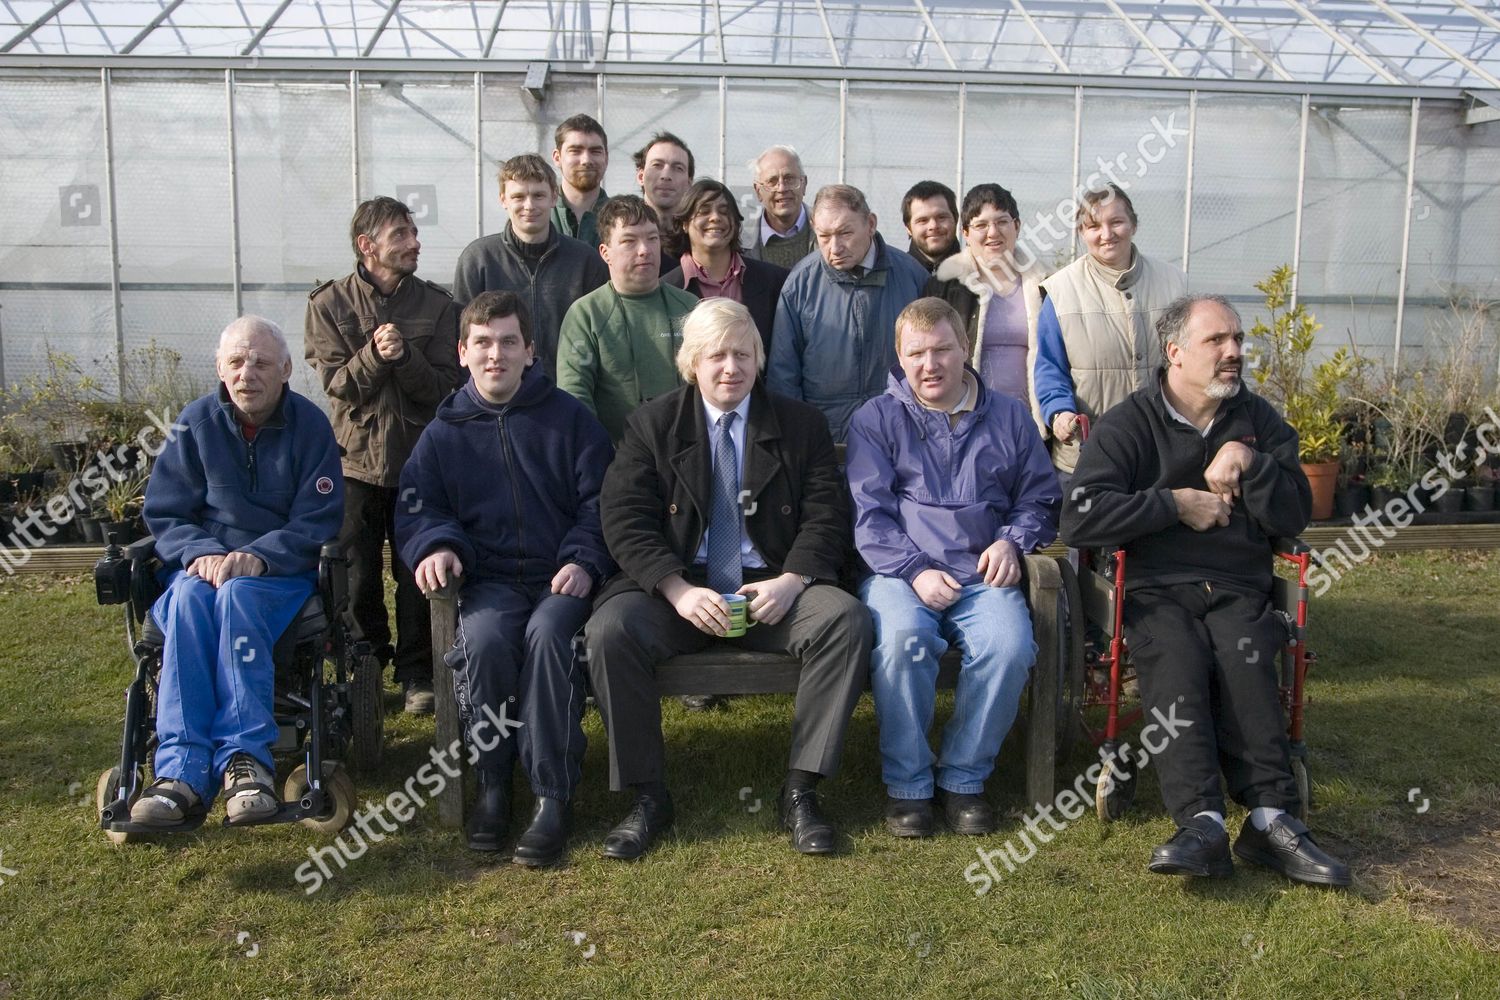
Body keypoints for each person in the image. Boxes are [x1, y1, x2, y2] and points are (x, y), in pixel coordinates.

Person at [1060, 294, 1351, 887]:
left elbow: (1297, 510)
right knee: (1177, 660)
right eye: (1217, 341)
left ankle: (1272, 821)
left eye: (1237, 339)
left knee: (1246, 659)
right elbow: (1079, 516)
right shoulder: (1129, 423)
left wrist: (1251, 460)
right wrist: (1172, 505)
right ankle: (1201, 822)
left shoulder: (1260, 421)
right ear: (1175, 353)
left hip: (1240, 584)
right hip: (1157, 589)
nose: (1234, 352)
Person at [583, 298, 871, 859]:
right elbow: (623, 519)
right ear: (690, 362)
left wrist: (793, 580)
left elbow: (827, 514)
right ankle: (647, 796)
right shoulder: (651, 425)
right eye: (716, 355)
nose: (730, 368)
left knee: (845, 620)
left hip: (772, 589)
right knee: (610, 631)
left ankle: (801, 790)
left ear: (759, 358)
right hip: (679, 591)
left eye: (743, 353)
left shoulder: (799, 424)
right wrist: (678, 589)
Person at [397, 291, 614, 864]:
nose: (497, 354)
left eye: (509, 342)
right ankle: (493, 783)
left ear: (530, 351)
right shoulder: (442, 434)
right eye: (484, 343)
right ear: (463, 351)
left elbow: (603, 504)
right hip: (488, 583)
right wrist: (436, 545)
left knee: (548, 641)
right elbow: (419, 508)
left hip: (558, 582)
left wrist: (583, 558)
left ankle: (551, 794)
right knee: (488, 643)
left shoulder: (570, 421)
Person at [847, 298, 1059, 838]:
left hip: (984, 575)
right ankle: (909, 784)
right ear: (900, 356)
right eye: (916, 353)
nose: (931, 364)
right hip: (900, 575)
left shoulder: (1010, 416)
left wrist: (1013, 542)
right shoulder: (876, 419)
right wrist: (915, 569)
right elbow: (869, 516)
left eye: (943, 349)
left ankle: (965, 777)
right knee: (902, 646)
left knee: (1008, 647)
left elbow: (1039, 497)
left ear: (965, 348)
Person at [130, 316, 343, 828]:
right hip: (202, 569)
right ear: (221, 370)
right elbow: (165, 512)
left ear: (287, 369)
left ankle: (246, 764)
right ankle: (179, 772)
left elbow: (320, 517)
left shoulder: (310, 426)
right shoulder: (194, 424)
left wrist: (262, 556)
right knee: (187, 599)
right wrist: (199, 552)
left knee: (239, 597)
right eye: (236, 362)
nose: (248, 373)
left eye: (262, 362)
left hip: (278, 575)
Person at [304, 195, 462, 715]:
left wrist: (405, 355)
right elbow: (339, 386)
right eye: (401, 235)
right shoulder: (329, 305)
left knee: (420, 572)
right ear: (366, 246)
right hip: (353, 464)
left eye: (413, 233)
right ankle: (364, 665)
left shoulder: (439, 306)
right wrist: (375, 354)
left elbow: (444, 387)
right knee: (357, 573)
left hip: (419, 463)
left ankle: (419, 675)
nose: (414, 242)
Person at [1034, 183, 1187, 477]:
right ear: (1081, 232)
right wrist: (1060, 413)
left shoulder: (1174, 284)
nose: (1106, 234)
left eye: (1116, 222)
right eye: (1093, 226)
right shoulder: (1061, 291)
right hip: (1088, 455)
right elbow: (1050, 368)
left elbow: (1194, 360)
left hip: (1164, 452)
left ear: (1133, 224)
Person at [768, 184, 928, 441]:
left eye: (845, 233)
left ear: (871, 224)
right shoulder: (800, 283)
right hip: (825, 437)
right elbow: (783, 372)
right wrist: (797, 437)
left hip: (901, 433)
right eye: (824, 236)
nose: (835, 247)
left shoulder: (911, 276)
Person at [555, 195, 698, 443]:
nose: (644, 250)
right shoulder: (586, 315)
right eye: (629, 241)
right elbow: (575, 398)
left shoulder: (690, 307)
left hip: (686, 454)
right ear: (605, 252)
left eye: (652, 239)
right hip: (617, 460)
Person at [450, 154, 608, 377]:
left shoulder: (585, 260)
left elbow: (602, 336)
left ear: (554, 197)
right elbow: (463, 337)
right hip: (498, 393)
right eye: (518, 196)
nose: (529, 205)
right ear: (503, 199)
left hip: (567, 393)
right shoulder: (478, 259)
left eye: (538, 195)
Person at [925, 183, 1046, 432]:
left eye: (1002, 222)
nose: (993, 233)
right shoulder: (945, 286)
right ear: (966, 233)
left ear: (1017, 226)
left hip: (1027, 425)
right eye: (981, 225)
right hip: (964, 424)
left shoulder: (1044, 284)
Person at [663, 179, 790, 354]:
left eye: (724, 211)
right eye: (704, 211)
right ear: (684, 223)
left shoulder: (774, 282)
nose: (715, 218)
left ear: (736, 222)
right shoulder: (665, 289)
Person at [743, 145, 816, 269]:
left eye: (789, 179)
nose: (782, 188)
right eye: (772, 181)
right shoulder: (740, 241)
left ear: (804, 184)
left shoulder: (829, 235)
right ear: (758, 191)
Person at [633, 131, 696, 272]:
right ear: (641, 176)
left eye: (678, 168)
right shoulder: (619, 232)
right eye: (657, 165)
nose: (666, 176)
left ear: (689, 182)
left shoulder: (699, 240)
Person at [550, 114, 610, 248]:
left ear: (606, 158)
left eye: (595, 151)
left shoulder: (622, 219)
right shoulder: (538, 214)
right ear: (557, 157)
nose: (586, 160)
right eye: (575, 151)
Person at [901, 180, 961, 274]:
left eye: (941, 217)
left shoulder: (979, 275)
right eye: (922, 220)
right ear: (908, 228)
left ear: (956, 219)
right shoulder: (896, 275)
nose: (933, 226)